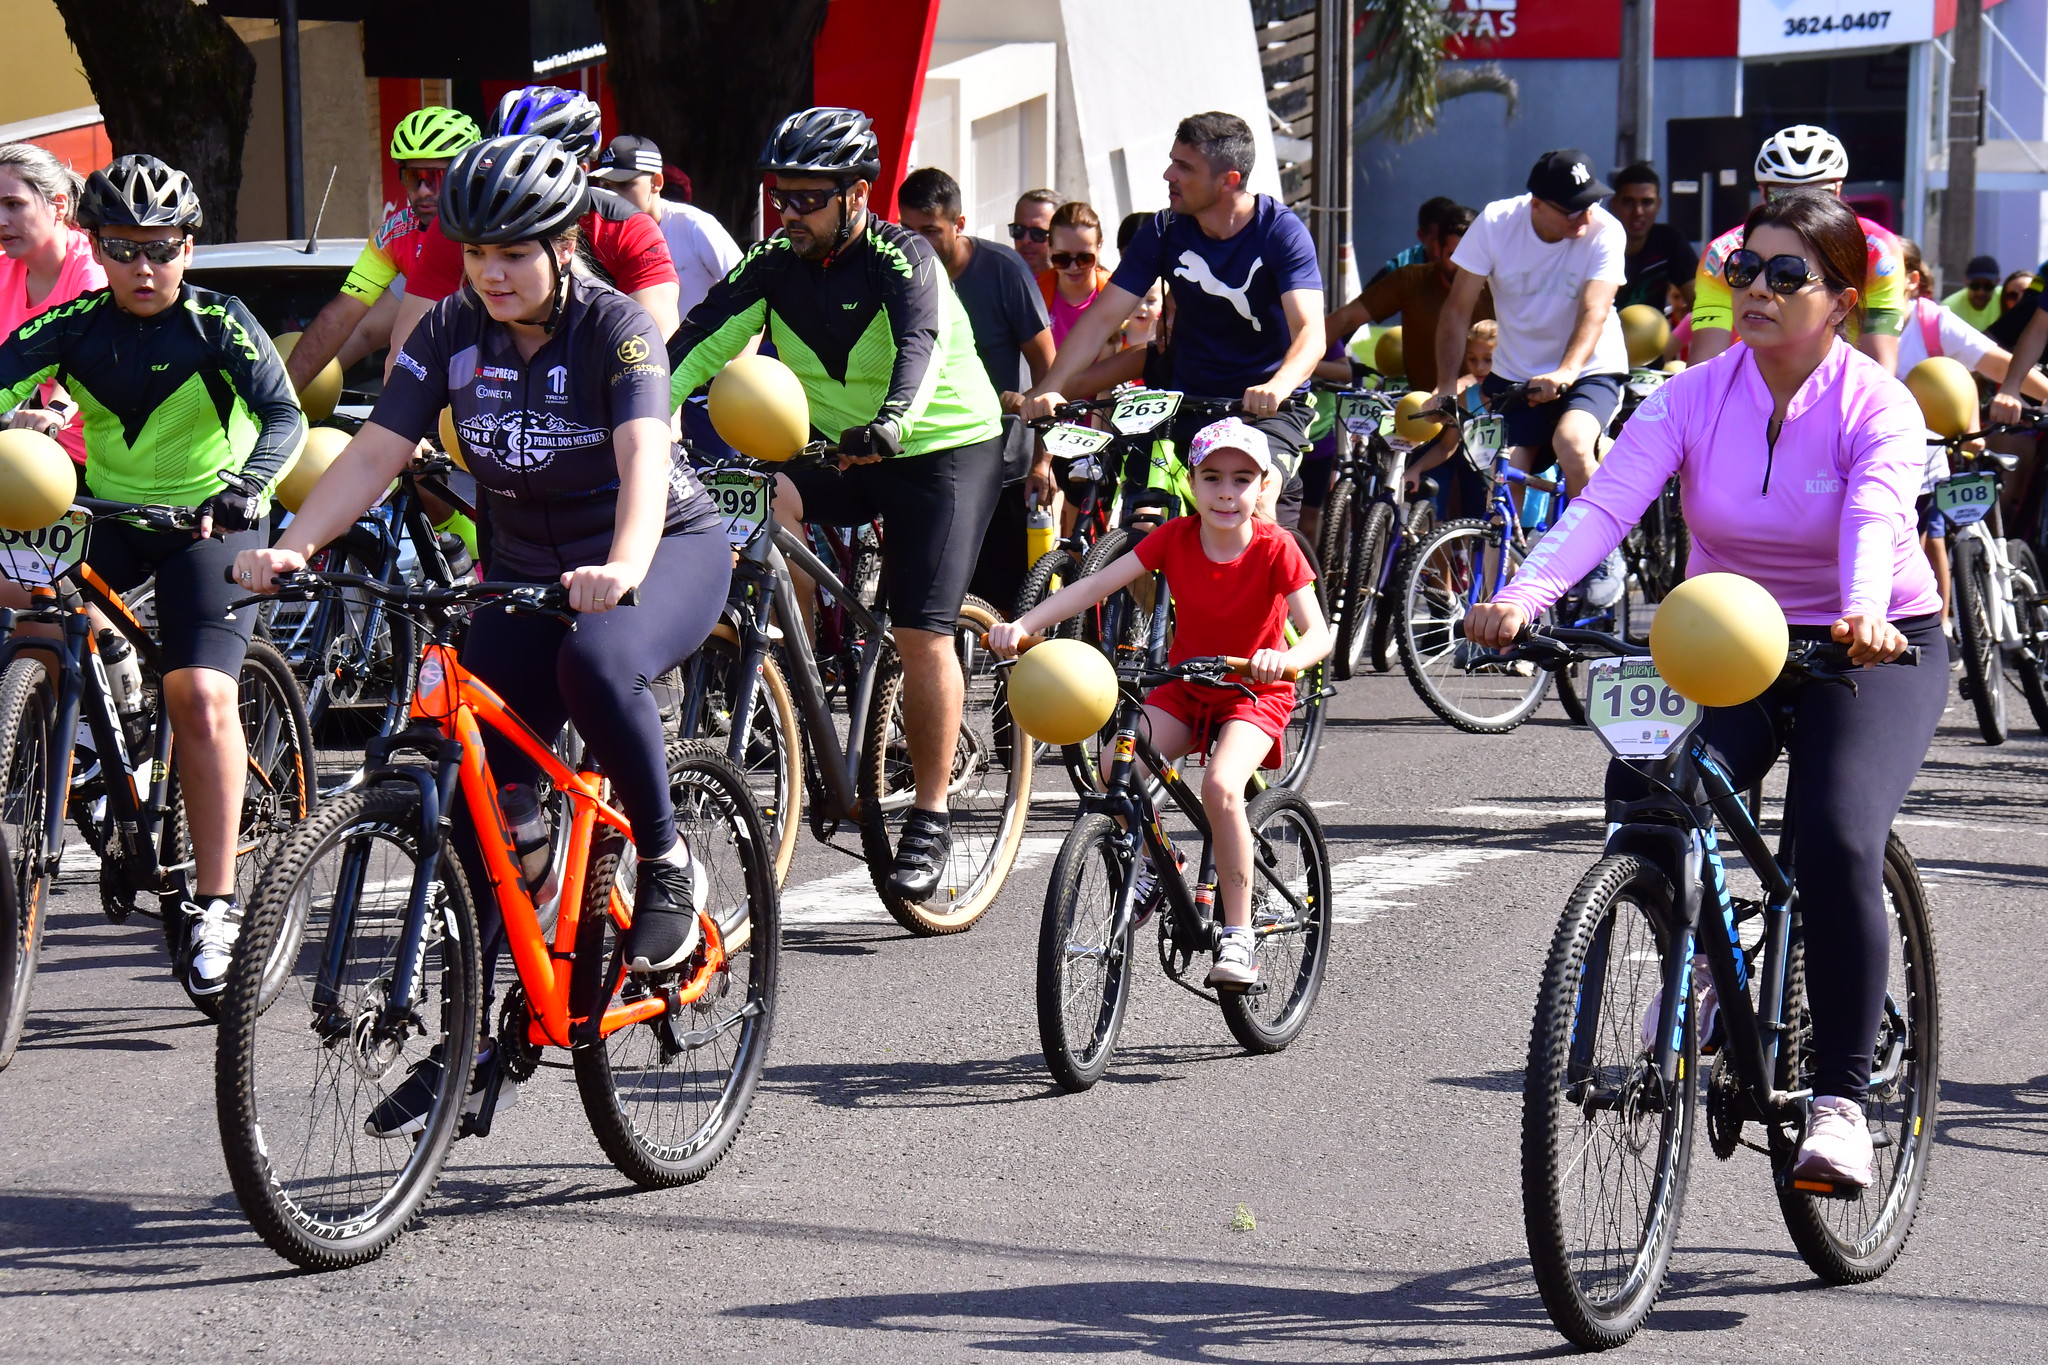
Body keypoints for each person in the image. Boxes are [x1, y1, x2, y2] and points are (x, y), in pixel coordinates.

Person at [235, 137, 730, 1131]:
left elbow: (644, 459)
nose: (491, 274)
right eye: (475, 255)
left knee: (596, 663)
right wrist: (293, 544)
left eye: (513, 254)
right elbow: (377, 446)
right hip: (522, 570)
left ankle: (668, 862)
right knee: (476, 793)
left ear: (561, 246)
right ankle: (491, 1030)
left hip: (659, 550)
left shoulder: (616, 328)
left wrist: (624, 569)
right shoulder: (454, 329)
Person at [1467, 189, 1946, 1189]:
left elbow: (1871, 515)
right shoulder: (1690, 395)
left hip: (1868, 646)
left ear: (1840, 300)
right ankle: (1682, 966)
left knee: (1836, 834)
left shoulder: (1877, 404)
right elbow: (1604, 504)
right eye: (1743, 270)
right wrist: (1521, 596)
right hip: (1726, 639)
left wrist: (1862, 613)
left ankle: (1840, 1104)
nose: (1757, 291)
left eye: (1785, 275)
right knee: (1646, 793)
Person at [669, 108, 1005, 904]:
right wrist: (635, 420)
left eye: (809, 199)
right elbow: (697, 341)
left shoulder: (904, 254)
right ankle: (801, 662)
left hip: (937, 445)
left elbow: (920, 347)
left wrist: (892, 425)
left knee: (924, 629)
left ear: (859, 195)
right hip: (834, 448)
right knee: (763, 494)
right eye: (779, 197)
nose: (790, 214)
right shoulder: (775, 261)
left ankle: (929, 812)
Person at [0, 155, 305, 999]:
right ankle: (85, 733)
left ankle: (215, 903)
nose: (144, 267)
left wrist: (250, 486)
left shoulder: (221, 323)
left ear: (189, 249)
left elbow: (284, 414)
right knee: (26, 601)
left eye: (162, 248)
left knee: (201, 695)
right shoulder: (74, 324)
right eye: (124, 248)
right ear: (94, 246)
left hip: (208, 523)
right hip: (109, 515)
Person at [989, 418, 1330, 987]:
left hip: (1253, 690)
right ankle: (1155, 862)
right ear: (1192, 483)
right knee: (1112, 769)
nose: (1227, 492)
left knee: (1221, 786)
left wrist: (1287, 660)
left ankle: (1239, 937)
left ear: (1263, 486)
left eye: (1242, 479)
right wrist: (1023, 623)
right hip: (1185, 684)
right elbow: (1091, 587)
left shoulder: (1278, 548)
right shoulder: (1174, 538)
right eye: (1213, 477)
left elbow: (1319, 634)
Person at [1026, 112, 1326, 529]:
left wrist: (1276, 386)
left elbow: (1311, 332)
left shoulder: (1281, 232)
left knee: (1254, 506)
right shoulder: (1164, 228)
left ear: (1229, 180)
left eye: (1184, 167)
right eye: (1172, 161)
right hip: (1182, 402)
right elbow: (1102, 318)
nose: (1169, 174)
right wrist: (1052, 388)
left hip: (1265, 410)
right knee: (1142, 526)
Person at [1435, 148, 1630, 610]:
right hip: (1517, 374)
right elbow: (1458, 309)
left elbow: (1595, 309)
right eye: (1572, 209)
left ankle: (1601, 553)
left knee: (1573, 442)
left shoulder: (1605, 230)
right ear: (1536, 204)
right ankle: (1489, 611)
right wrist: (1445, 386)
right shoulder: (1498, 223)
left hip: (1589, 366)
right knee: (1502, 481)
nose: (1585, 217)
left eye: (1591, 203)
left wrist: (1565, 371)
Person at [386, 86, 681, 364]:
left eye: (532, 166)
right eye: (503, 160)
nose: (513, 180)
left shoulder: (628, 229)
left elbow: (659, 360)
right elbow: (404, 357)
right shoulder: (457, 226)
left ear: (580, 172)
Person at [896, 166, 1053, 612]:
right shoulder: (895, 269)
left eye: (930, 230)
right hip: (923, 458)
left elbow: (1048, 370)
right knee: (931, 604)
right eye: (907, 230)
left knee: (1007, 608)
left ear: (959, 224)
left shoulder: (1003, 270)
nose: (918, 244)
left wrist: (1044, 461)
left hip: (1003, 465)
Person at [282, 106, 481, 394]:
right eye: (414, 179)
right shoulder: (394, 236)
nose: (423, 191)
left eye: (435, 178)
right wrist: (280, 398)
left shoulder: (492, 233)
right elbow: (350, 324)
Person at [1689, 125, 1905, 374]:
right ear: (1761, 192)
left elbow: (1878, 364)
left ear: (1838, 190)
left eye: (1817, 196)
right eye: (1782, 196)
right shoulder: (1725, 255)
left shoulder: (1876, 251)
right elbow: (1704, 365)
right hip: (1754, 384)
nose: (1798, 208)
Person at [0, 142, 101, 466]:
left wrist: (54, 411)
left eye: (13, 204)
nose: (1, 219)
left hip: (101, 461)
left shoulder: (93, 271)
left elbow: (86, 367)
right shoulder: (5, 270)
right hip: (41, 453)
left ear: (58, 205)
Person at [1326, 204, 1490, 393]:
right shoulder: (1410, 281)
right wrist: (1295, 353)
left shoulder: (1498, 289)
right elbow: (1345, 318)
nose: (1463, 265)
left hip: (1489, 409)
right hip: (1423, 411)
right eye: (1454, 255)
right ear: (1437, 248)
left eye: (1470, 256)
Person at [591, 133, 741, 324]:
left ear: (656, 183)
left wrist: (740, 355)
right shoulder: (599, 236)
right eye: (605, 186)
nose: (612, 195)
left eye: (624, 184)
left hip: (708, 351)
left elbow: (749, 292)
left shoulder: (692, 224)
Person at [1609, 164, 1697, 312]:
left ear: (1658, 205)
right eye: (1628, 202)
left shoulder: (1669, 240)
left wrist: (1679, 335)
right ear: (1614, 205)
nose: (1638, 212)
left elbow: (1701, 304)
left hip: (1655, 334)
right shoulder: (1596, 242)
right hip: (1602, 333)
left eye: (1646, 202)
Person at [1039, 200, 1113, 352]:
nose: (1073, 267)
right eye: (1062, 258)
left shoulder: (1116, 293)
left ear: (1099, 246)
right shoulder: (1034, 294)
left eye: (1084, 258)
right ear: (1049, 247)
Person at [1370, 194, 1457, 287]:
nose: (1444, 250)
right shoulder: (1397, 271)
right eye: (1438, 241)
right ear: (1421, 236)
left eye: (1449, 241)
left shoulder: (1468, 268)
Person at [1941, 254, 2001, 331]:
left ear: (1997, 282)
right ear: (1966, 282)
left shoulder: (2008, 298)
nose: (1980, 292)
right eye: (1975, 285)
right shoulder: (1950, 308)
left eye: (1988, 286)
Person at [1010, 188, 1061, 276]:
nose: (1026, 240)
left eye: (1037, 233)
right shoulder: (997, 281)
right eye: (1019, 229)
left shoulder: (1074, 286)